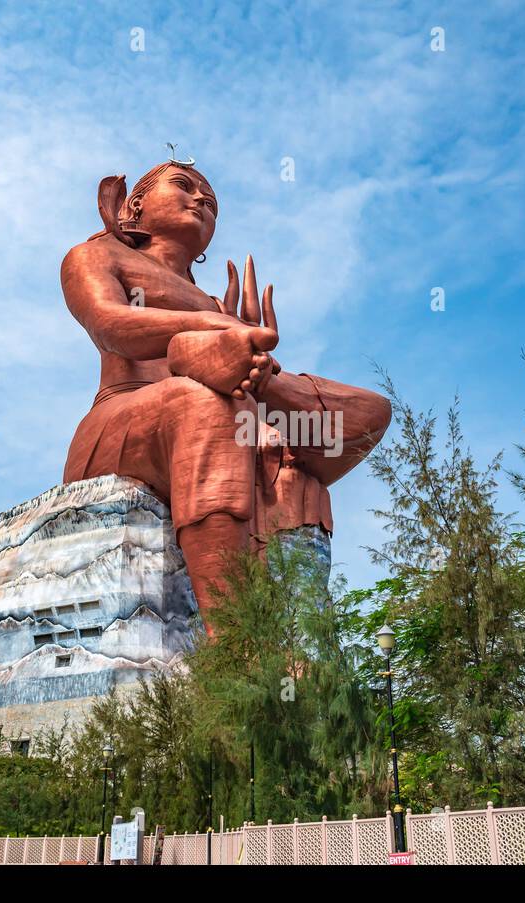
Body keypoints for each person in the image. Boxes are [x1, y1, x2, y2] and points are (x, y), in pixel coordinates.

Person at [60, 158, 390, 636]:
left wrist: (253, 365)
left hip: (223, 418)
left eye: (211, 201)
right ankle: (234, 644)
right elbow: (113, 327)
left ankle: (296, 645)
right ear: (134, 206)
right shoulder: (97, 256)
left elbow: (327, 418)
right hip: (122, 423)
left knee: (353, 424)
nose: (200, 199)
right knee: (204, 401)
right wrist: (214, 330)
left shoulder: (220, 307)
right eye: (184, 186)